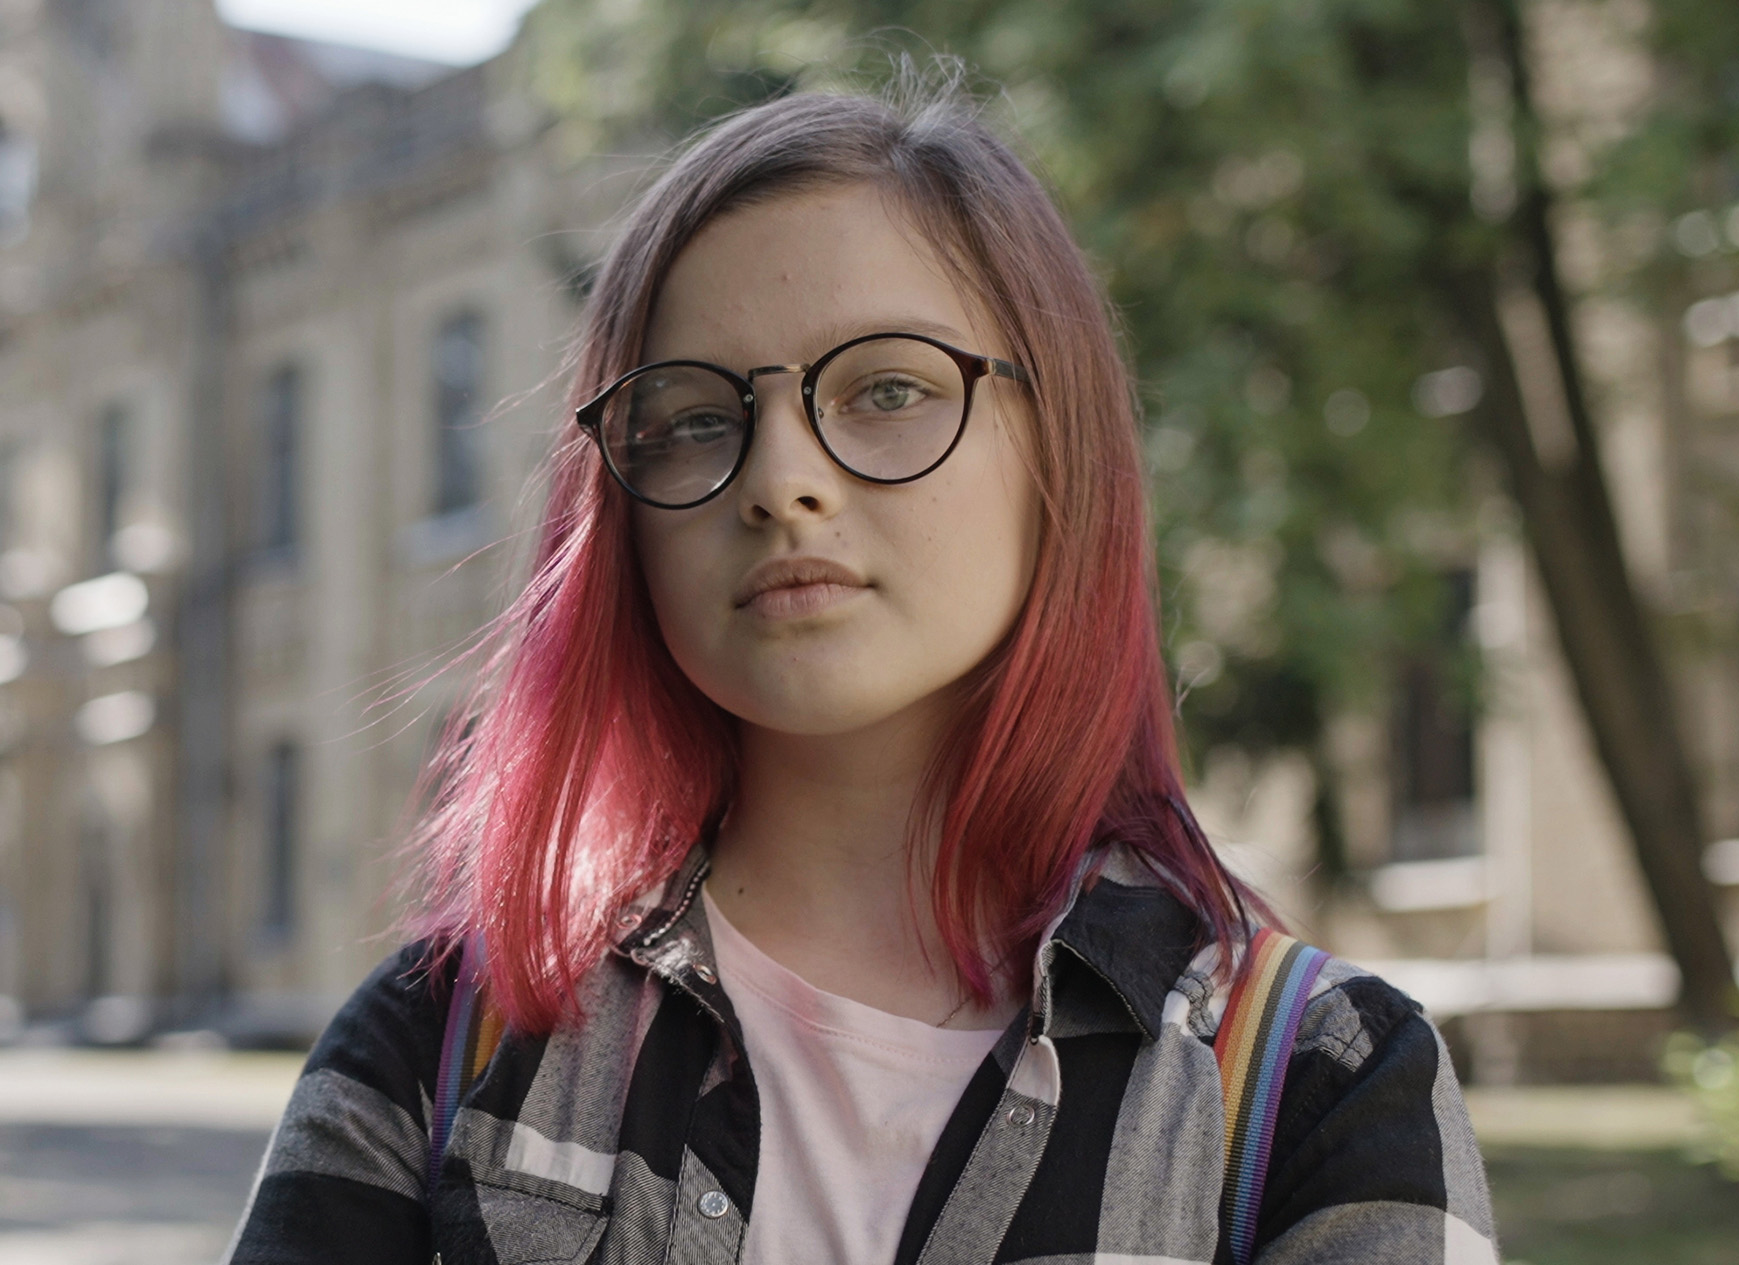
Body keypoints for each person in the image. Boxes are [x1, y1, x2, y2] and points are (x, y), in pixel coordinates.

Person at [226, 78, 1498, 1265]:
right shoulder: (444, 1041)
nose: (783, 480)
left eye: (887, 387)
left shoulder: (1314, 1083)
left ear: (1058, 451)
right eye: (695, 418)